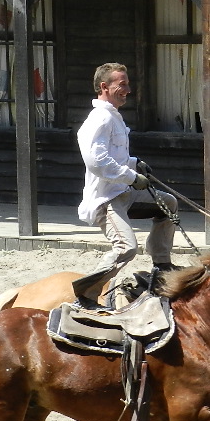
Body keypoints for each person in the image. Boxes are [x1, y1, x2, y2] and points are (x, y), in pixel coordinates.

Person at [71, 62, 180, 308]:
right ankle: (86, 294)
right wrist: (132, 177)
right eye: (122, 84)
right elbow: (96, 161)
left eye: (127, 84)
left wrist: (135, 163)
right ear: (104, 87)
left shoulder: (113, 116)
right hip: (107, 200)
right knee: (126, 248)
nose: (127, 89)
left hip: (123, 193)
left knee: (168, 204)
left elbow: (114, 156)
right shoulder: (99, 118)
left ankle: (162, 266)